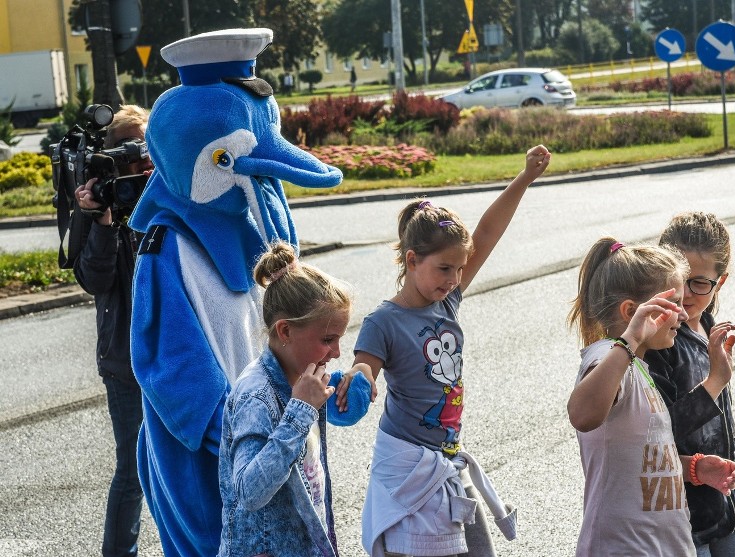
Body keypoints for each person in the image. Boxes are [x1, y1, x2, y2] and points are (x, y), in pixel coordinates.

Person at [129, 28, 342, 557]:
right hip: (216, 459)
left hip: (275, 447)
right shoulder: (166, 252)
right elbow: (171, 368)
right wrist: (244, 439)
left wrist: (322, 389)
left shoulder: (252, 232)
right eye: (230, 161)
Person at [337, 145, 551, 556]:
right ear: (413, 260)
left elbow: (486, 233)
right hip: (411, 467)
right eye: (444, 269)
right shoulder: (384, 322)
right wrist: (358, 379)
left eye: (459, 268)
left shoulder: (445, 302)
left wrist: (524, 178)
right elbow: (364, 364)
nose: (454, 279)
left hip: (447, 458)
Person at [566, 238, 735, 557]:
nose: (680, 314)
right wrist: (630, 339)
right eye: (670, 304)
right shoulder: (608, 356)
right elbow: (582, 415)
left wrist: (694, 468)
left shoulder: (641, 367)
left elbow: (641, 455)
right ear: (631, 312)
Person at [218, 241, 363, 556]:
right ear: (285, 331)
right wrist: (299, 414)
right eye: (328, 340)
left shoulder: (298, 378)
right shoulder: (255, 395)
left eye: (339, 339)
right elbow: (248, 491)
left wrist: (343, 392)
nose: (337, 352)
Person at [644, 212, 735, 557]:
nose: (687, 293)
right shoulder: (657, 343)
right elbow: (658, 433)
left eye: (700, 283)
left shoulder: (708, 326)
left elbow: (723, 424)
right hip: (684, 520)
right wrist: (715, 382)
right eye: (680, 279)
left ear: (719, 282)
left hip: (729, 506)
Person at [74, 104, 153, 557]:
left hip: (173, 353)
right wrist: (102, 221)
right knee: (134, 468)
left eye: (146, 149)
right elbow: (94, 280)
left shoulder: (164, 193)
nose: (141, 160)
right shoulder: (98, 205)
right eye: (130, 151)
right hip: (124, 362)